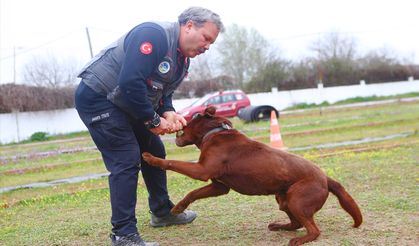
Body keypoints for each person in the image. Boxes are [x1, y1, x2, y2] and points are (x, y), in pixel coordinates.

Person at [74, 6, 224, 246]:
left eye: (211, 43)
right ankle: (123, 234)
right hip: (99, 98)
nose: (207, 46)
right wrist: (153, 120)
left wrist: (168, 111)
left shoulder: (182, 59)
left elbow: (162, 92)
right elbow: (129, 82)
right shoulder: (153, 35)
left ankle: (162, 212)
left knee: (154, 151)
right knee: (126, 159)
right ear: (188, 26)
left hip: (125, 103)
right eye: (206, 38)